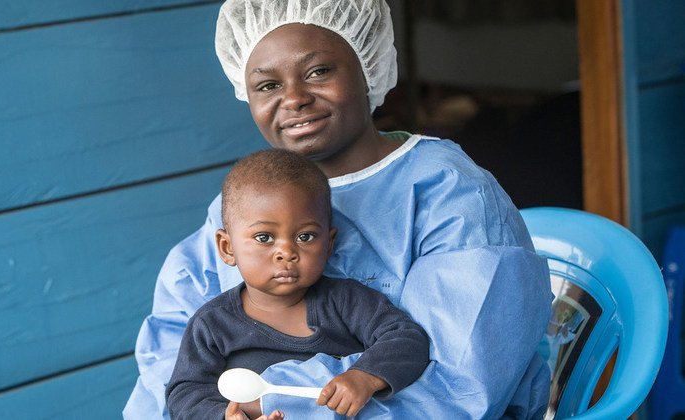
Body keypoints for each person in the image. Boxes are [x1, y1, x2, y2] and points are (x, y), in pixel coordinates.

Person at [124, 0, 553, 418]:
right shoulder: (241, 204)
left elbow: (460, 384)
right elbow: (172, 354)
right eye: (268, 85)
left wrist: (273, 404)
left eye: (318, 71)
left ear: (367, 68)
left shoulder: (447, 191)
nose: (294, 98)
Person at [165, 149, 430, 419]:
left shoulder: (346, 301)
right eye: (264, 238)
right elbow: (186, 393)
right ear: (227, 248)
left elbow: (406, 338)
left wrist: (366, 376)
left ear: (329, 244)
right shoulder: (212, 324)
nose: (287, 252)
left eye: (305, 236)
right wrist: (226, 415)